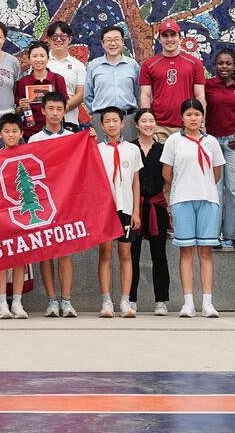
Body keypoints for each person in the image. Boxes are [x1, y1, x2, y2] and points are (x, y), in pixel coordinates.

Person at [160, 98, 224, 318]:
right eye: (188, 114)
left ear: (202, 117)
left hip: (207, 199)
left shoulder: (212, 142)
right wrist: (184, 186)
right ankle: (188, 302)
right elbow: (167, 173)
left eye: (197, 114)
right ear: (182, 118)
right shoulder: (173, 141)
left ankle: (207, 302)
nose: (193, 118)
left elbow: (217, 174)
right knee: (186, 251)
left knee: (205, 252)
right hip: (182, 200)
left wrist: (202, 186)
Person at [27, 91, 76, 317]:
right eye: (51, 109)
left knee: (65, 253)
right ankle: (51, 300)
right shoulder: (34, 140)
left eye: (59, 109)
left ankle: (66, 300)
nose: (55, 113)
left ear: (65, 111)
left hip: (66, 202)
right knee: (46, 253)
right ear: (43, 111)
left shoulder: (73, 138)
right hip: (43, 203)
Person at [94, 106, 142, 318]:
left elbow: (135, 181)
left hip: (126, 208)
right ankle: (106, 301)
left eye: (116, 120)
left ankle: (125, 301)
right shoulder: (96, 149)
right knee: (105, 253)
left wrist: (136, 211)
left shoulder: (132, 149)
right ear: (102, 125)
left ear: (123, 123)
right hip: (105, 210)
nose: (112, 124)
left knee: (125, 254)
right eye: (108, 121)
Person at [204, 48, 235, 252]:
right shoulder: (207, 86)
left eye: (228, 63)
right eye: (220, 63)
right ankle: (212, 235)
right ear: (215, 66)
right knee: (214, 189)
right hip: (213, 142)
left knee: (234, 189)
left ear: (234, 66)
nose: (224, 67)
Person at [129, 108, 170, 315]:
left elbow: (170, 177)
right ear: (136, 124)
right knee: (132, 254)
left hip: (157, 205)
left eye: (151, 120)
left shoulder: (164, 149)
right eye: (143, 121)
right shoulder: (129, 148)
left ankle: (161, 300)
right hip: (133, 207)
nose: (147, 124)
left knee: (159, 254)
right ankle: (131, 299)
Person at [140, 21, 206, 142]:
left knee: (187, 160)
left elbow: (200, 96)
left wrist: (202, 122)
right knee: (161, 161)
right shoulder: (149, 65)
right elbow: (145, 96)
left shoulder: (194, 63)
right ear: (159, 38)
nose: (169, 39)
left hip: (186, 125)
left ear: (180, 37)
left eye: (173, 35)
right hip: (159, 126)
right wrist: (148, 123)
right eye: (165, 35)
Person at [85, 25, 141, 140]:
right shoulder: (94, 66)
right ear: (102, 43)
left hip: (128, 119)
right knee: (103, 155)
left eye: (116, 39)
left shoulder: (133, 65)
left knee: (128, 154)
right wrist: (96, 115)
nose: (113, 43)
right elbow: (88, 95)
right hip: (102, 120)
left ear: (122, 41)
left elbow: (138, 93)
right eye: (108, 40)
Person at [0, 113, 26, 319]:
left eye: (15, 131)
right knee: (2, 261)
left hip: (22, 213)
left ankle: (17, 301)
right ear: (0, 134)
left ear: (22, 133)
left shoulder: (29, 154)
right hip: (0, 215)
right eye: (7, 131)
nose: (11, 135)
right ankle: (2, 303)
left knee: (20, 260)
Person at [14, 41, 68, 139]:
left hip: (54, 132)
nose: (38, 60)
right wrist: (21, 106)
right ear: (29, 59)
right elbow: (18, 112)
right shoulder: (23, 82)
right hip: (30, 133)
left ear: (48, 58)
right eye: (34, 56)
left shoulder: (58, 79)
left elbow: (66, 106)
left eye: (42, 56)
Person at [45, 20, 87, 128]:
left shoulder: (78, 65)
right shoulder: (42, 63)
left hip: (70, 120)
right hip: (44, 122)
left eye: (63, 36)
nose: (59, 40)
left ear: (69, 39)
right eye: (54, 36)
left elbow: (81, 94)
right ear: (48, 39)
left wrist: (62, 108)